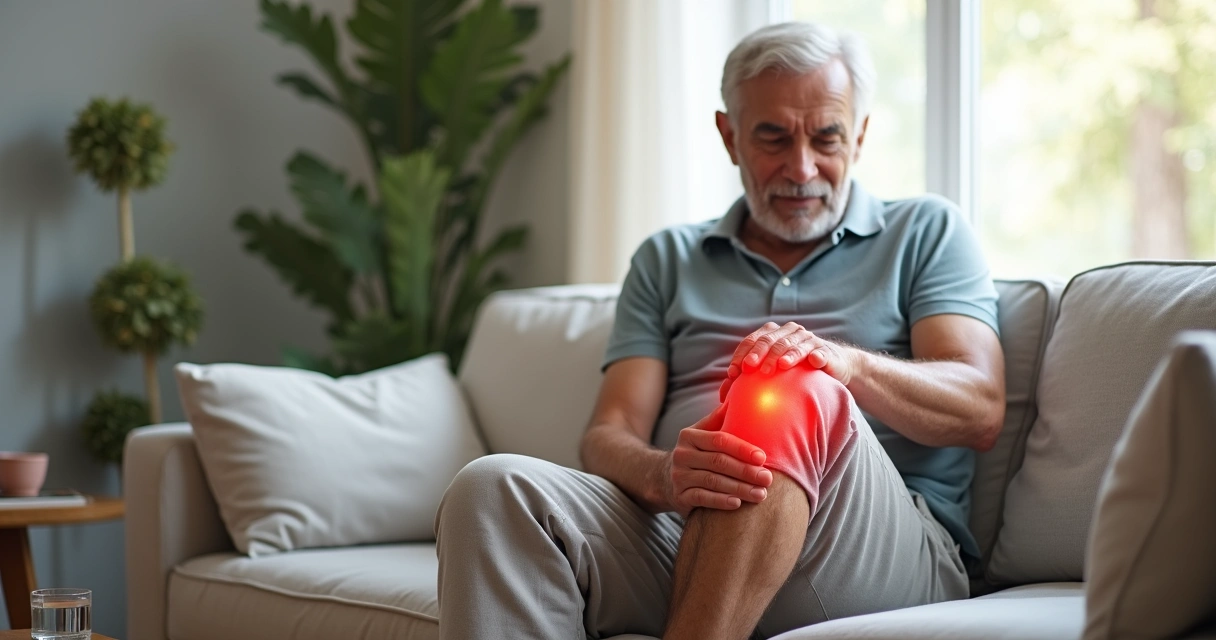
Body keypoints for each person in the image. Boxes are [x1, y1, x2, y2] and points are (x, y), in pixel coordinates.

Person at [434, 21, 1005, 640]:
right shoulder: (667, 259)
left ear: (860, 136)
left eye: (827, 137)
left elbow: (980, 408)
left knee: (785, 386)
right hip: (690, 534)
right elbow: (607, 433)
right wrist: (664, 475)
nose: (802, 168)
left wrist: (847, 366)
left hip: (869, 551)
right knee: (490, 489)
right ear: (729, 136)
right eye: (773, 136)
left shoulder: (926, 232)